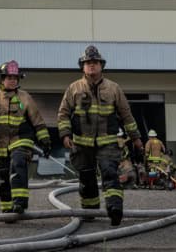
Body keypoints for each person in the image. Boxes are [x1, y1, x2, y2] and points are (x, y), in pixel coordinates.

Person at [57, 45, 142, 226]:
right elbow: (63, 113)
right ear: (83, 66)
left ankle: (115, 210)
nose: (92, 66)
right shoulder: (73, 88)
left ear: (101, 65)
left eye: (95, 62)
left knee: (110, 174)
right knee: (86, 179)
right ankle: (89, 212)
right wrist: (65, 134)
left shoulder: (113, 88)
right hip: (81, 143)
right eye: (88, 63)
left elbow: (126, 115)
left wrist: (136, 138)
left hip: (108, 142)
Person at [0, 60, 51, 216]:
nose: (12, 80)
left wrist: (45, 141)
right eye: (9, 77)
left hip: (21, 141)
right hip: (0, 145)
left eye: (15, 78)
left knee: (18, 164)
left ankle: (19, 203)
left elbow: (37, 121)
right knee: (3, 176)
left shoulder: (25, 98)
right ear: (2, 79)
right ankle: (7, 208)